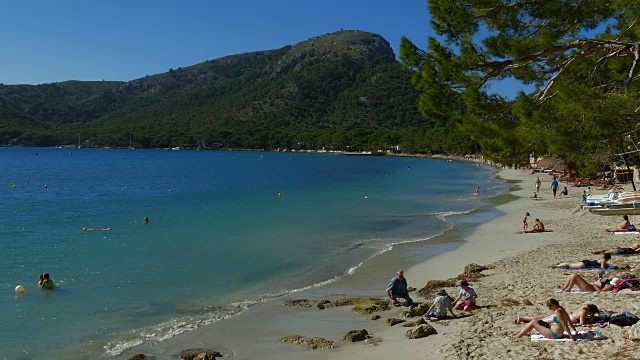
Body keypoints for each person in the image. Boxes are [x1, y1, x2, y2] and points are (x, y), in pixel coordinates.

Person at [515, 304, 600, 326]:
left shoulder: (582, 308)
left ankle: (523, 318)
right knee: (541, 321)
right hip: (561, 318)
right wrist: (590, 320)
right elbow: (582, 323)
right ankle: (523, 319)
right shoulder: (584, 312)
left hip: (562, 316)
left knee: (543, 318)